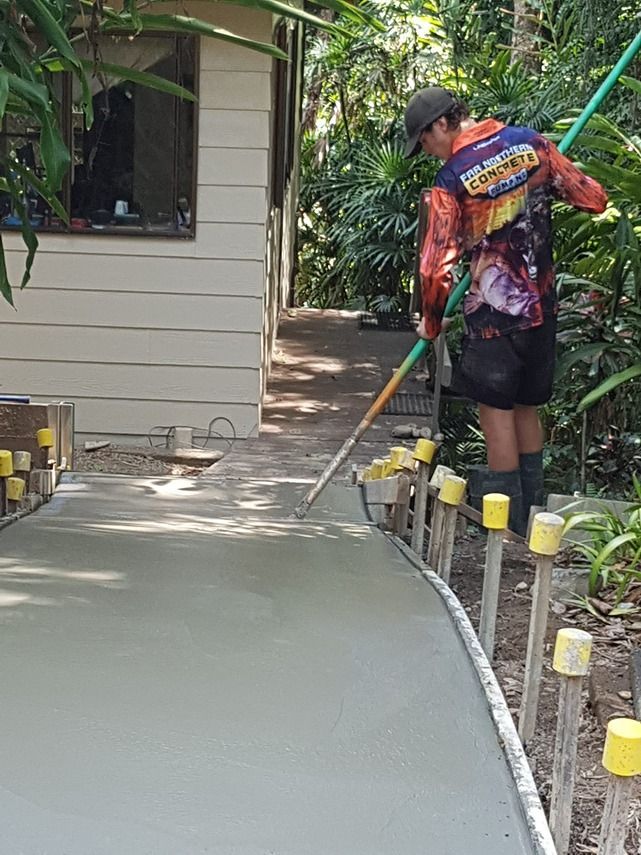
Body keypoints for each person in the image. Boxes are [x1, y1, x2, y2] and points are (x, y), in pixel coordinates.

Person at [404, 86, 607, 534]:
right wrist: (539, 174)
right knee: (525, 408)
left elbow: (436, 266)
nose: (426, 151)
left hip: (495, 317)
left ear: (442, 124)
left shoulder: (451, 180)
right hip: (542, 307)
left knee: (496, 414)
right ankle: (534, 523)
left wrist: (431, 322)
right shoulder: (531, 144)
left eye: (424, 141)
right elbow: (593, 198)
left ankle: (508, 534)